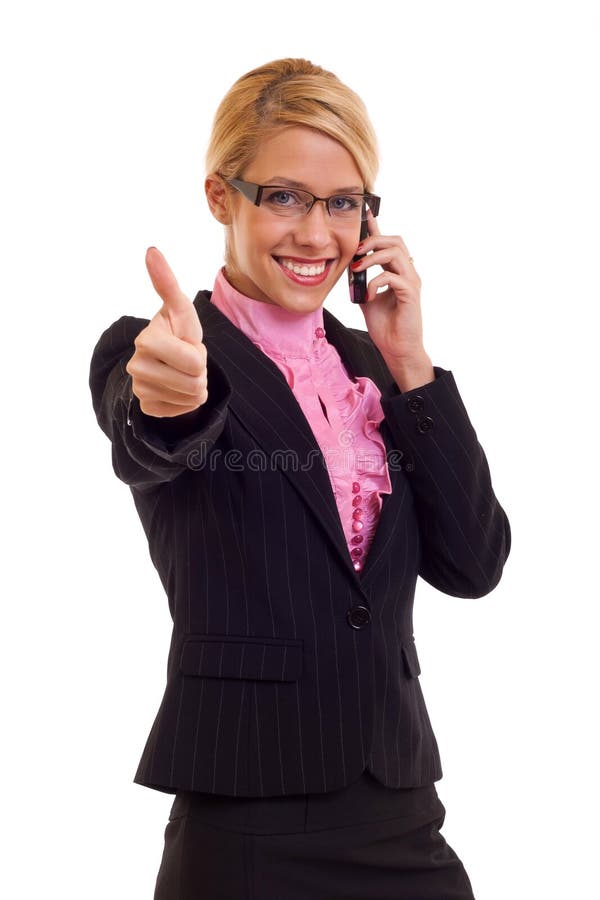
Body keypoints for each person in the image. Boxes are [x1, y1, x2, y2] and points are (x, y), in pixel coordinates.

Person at [89, 57, 510, 900]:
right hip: (246, 820)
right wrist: (172, 400)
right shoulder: (162, 348)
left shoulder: (377, 371)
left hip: (398, 802)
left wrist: (411, 361)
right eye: (283, 196)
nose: (318, 235)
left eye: (344, 202)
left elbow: (473, 565)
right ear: (221, 198)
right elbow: (155, 438)